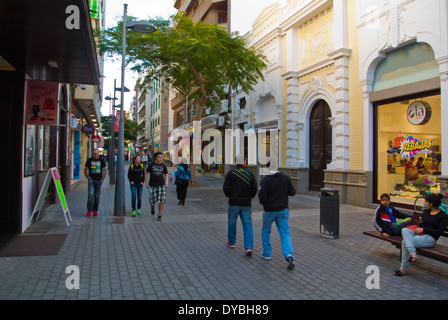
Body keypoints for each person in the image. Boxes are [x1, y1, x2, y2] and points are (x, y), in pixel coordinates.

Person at [394, 193, 448, 276]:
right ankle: (413, 253)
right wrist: (421, 223)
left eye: (426, 202)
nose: (424, 204)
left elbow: (439, 232)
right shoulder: (426, 211)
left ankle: (403, 268)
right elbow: (423, 225)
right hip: (420, 234)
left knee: (405, 242)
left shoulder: (443, 216)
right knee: (404, 230)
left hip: (430, 238)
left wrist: (423, 229)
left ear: (431, 203)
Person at [258, 159, 296, 269]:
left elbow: (262, 198)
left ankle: (267, 253)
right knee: (285, 233)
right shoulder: (285, 177)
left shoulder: (265, 180)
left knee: (266, 231)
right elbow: (292, 192)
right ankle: (289, 254)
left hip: (269, 211)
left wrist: (265, 202)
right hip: (283, 210)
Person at [223, 154, 258, 256]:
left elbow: (225, 188)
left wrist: (230, 195)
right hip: (246, 204)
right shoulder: (250, 174)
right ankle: (248, 247)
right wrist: (250, 196)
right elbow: (254, 188)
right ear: (245, 161)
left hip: (233, 203)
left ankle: (232, 242)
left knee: (232, 223)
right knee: (247, 225)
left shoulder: (231, 173)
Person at [145, 151, 169, 221]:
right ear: (155, 157)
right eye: (159, 157)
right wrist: (146, 183)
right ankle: (152, 207)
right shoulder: (151, 165)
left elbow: (166, 174)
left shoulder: (163, 166)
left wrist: (166, 182)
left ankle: (160, 214)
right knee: (152, 200)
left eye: (161, 157)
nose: (160, 158)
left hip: (161, 185)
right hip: (152, 185)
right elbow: (146, 173)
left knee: (161, 200)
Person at [84, 149, 107, 216]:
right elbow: (85, 170)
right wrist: (88, 177)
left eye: (97, 154)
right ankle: (89, 210)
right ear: (92, 154)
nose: (96, 155)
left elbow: (104, 170)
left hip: (98, 181)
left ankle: (95, 210)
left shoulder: (101, 161)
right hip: (91, 180)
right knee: (91, 195)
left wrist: (102, 180)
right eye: (95, 154)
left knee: (97, 196)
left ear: (98, 154)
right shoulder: (89, 160)